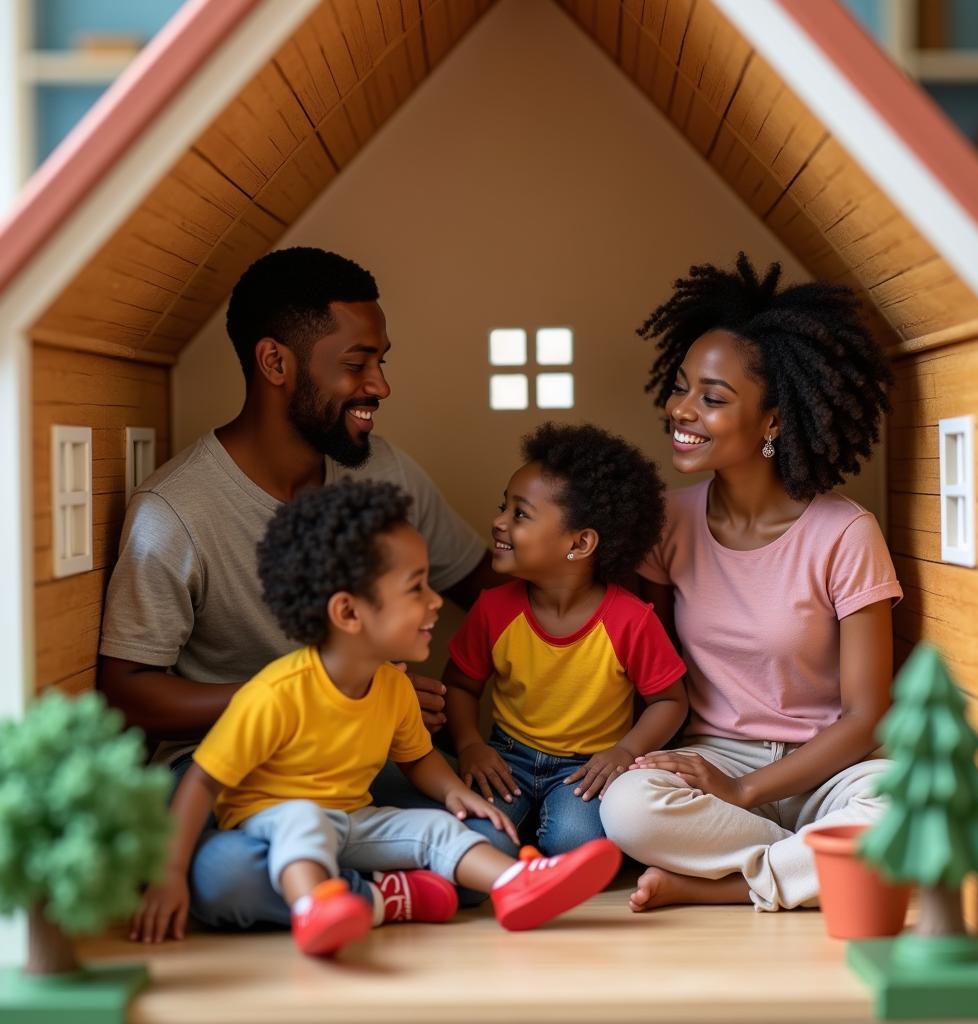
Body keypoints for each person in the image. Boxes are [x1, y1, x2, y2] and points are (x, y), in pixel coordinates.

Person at [99, 247, 501, 930]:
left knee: (492, 838)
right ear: (276, 363)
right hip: (227, 775)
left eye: (381, 361)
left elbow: (487, 589)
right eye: (356, 364)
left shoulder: (386, 473)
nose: (380, 385)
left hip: (356, 765)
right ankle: (378, 894)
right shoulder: (176, 511)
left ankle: (336, 895)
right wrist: (302, 700)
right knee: (224, 882)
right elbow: (127, 689)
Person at [129, 479, 621, 954]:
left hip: (353, 821)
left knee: (444, 832)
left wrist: (457, 794)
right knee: (271, 841)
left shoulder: (391, 685)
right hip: (273, 825)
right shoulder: (274, 693)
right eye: (417, 588)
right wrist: (168, 876)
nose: (435, 602)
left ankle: (515, 884)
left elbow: (418, 759)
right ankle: (331, 903)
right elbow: (199, 783)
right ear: (348, 613)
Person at [598, 253, 903, 914]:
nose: (681, 409)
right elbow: (652, 674)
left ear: (774, 421)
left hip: (833, 767)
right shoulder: (668, 522)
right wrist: (714, 780)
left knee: (901, 810)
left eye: (712, 398)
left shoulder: (845, 532)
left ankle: (734, 885)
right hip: (716, 758)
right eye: (682, 387)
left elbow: (867, 715)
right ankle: (810, 866)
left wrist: (747, 795)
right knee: (627, 809)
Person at [443, 423, 688, 858]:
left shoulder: (631, 620)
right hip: (506, 760)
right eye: (505, 507)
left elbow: (670, 702)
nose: (498, 522)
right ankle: (523, 847)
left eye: (519, 514)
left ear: (580, 542)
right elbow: (460, 686)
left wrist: (626, 751)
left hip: (585, 771)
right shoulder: (493, 609)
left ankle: (540, 847)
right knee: (475, 845)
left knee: (575, 844)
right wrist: (470, 746)